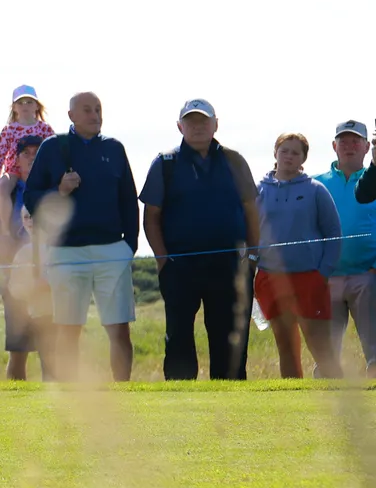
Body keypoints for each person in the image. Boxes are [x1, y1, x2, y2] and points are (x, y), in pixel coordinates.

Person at [139, 99, 261, 381]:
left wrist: (253, 257)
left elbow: (251, 211)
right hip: (180, 266)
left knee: (229, 340)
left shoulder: (234, 160)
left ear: (215, 124)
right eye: (191, 121)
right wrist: (163, 261)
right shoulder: (165, 163)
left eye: (203, 121)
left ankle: (230, 399)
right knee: (178, 338)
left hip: (230, 265)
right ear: (179, 126)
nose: (197, 127)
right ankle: (181, 399)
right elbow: (151, 217)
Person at [23, 92, 140, 382]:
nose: (95, 115)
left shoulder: (114, 148)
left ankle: (124, 391)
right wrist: (59, 191)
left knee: (118, 329)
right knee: (68, 328)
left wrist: (129, 246)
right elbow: (31, 197)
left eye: (98, 109)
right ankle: (70, 393)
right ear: (71, 115)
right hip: (67, 251)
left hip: (112, 249)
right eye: (87, 110)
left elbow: (129, 200)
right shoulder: (52, 147)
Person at [254, 132, 342, 378]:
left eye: (295, 152)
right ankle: (293, 396)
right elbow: (248, 231)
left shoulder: (315, 190)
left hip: (309, 277)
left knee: (320, 346)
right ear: (275, 153)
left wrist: (323, 272)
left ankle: (339, 393)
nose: (289, 156)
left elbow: (333, 232)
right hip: (271, 278)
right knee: (286, 347)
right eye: (284, 151)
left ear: (303, 158)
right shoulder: (259, 190)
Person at [314, 120, 376, 375]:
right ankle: (322, 395)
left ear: (367, 147)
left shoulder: (373, 181)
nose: (349, 146)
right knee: (326, 355)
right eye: (344, 141)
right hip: (327, 278)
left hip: (367, 277)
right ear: (334, 146)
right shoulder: (316, 184)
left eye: (355, 141)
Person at [0, 134, 48, 379]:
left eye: (37, 153)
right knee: (18, 350)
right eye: (26, 153)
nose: (31, 158)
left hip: (49, 279)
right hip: (17, 280)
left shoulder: (51, 187)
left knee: (52, 349)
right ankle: (15, 398)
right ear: (17, 158)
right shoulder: (9, 191)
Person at [0, 85, 56, 197]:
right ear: (14, 107)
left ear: (37, 106)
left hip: (38, 169)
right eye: (20, 103)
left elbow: (54, 151)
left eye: (29, 102)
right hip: (13, 172)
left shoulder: (44, 128)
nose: (25, 105)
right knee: (3, 187)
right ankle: (5, 209)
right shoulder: (9, 130)